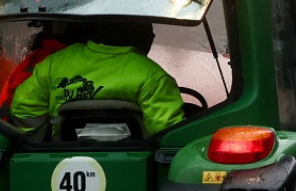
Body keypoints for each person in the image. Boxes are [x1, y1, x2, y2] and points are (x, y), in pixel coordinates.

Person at [10, 21, 184, 138]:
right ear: (142, 37)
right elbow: (168, 135)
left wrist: (38, 146)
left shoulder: (53, 64)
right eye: (150, 36)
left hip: (59, 162)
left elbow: (24, 109)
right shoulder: (153, 76)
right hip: (135, 169)